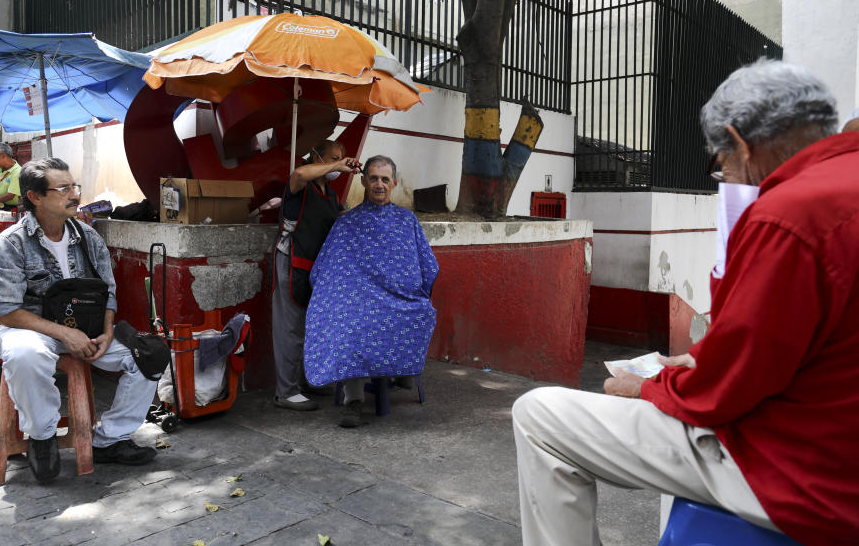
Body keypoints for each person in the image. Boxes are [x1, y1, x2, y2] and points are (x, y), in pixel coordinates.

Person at [512, 60, 859, 545]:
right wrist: (698, 361)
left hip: (804, 474)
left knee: (538, 414)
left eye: (723, 164)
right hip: (831, 439)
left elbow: (722, 390)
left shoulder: (790, 213)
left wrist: (650, 387)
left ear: (739, 142)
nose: (729, 177)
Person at [0, 158, 158, 483]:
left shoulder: (89, 237)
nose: (74, 195)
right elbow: (5, 310)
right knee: (26, 355)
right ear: (35, 197)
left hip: (87, 328)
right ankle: (42, 437)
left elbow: (108, 291)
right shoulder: (10, 245)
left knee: (150, 353)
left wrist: (106, 332)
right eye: (63, 189)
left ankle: (109, 440)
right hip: (31, 328)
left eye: (73, 187)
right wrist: (65, 334)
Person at [304, 155, 439, 428]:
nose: (379, 184)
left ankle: (401, 370)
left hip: (399, 300)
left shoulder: (407, 221)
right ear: (363, 181)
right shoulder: (347, 223)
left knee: (421, 311)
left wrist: (414, 292)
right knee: (351, 325)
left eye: (385, 179)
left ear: (395, 183)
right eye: (374, 178)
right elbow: (323, 271)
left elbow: (428, 267)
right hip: (359, 302)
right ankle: (353, 401)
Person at [272, 139, 361, 412]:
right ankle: (285, 392)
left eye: (340, 158)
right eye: (331, 158)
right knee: (291, 327)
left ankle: (307, 380)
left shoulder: (331, 195)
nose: (336, 164)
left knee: (313, 328)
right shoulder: (302, 184)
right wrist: (336, 164)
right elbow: (298, 174)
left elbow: (342, 219)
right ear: (316, 157)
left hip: (318, 268)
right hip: (292, 260)